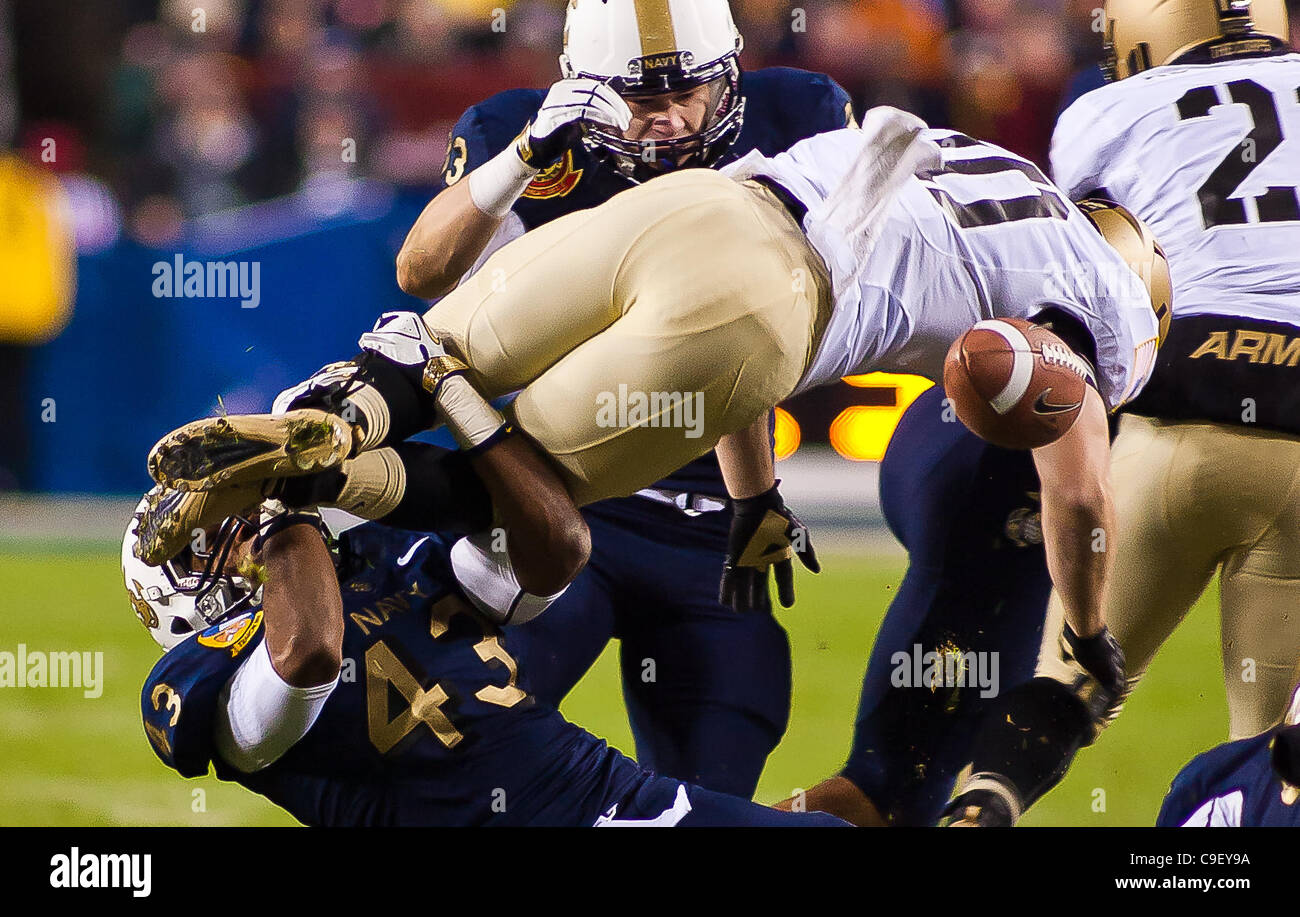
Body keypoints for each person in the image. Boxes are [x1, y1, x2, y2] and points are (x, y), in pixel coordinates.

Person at [391, 0, 855, 797]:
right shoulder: (527, 132)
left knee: (715, 776)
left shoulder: (798, 116)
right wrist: (520, 159)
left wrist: (756, 496)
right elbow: (422, 273)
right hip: (566, 499)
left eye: (689, 93)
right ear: (585, 89)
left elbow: (744, 333)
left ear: (729, 78)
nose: (669, 120)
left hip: (710, 530)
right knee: (458, 729)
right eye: (642, 101)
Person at [944, 0, 1300, 827]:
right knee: (1269, 757)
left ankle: (981, 807)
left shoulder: (1103, 113)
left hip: (1170, 426)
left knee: (1067, 685)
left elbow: (1085, 273)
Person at [126, 481, 850, 827]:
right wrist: (284, 510)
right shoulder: (217, 686)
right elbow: (310, 652)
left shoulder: (378, 557)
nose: (241, 532)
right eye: (210, 538)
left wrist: (443, 393)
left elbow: (551, 550)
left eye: (236, 519)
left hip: (604, 795)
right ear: (175, 593)